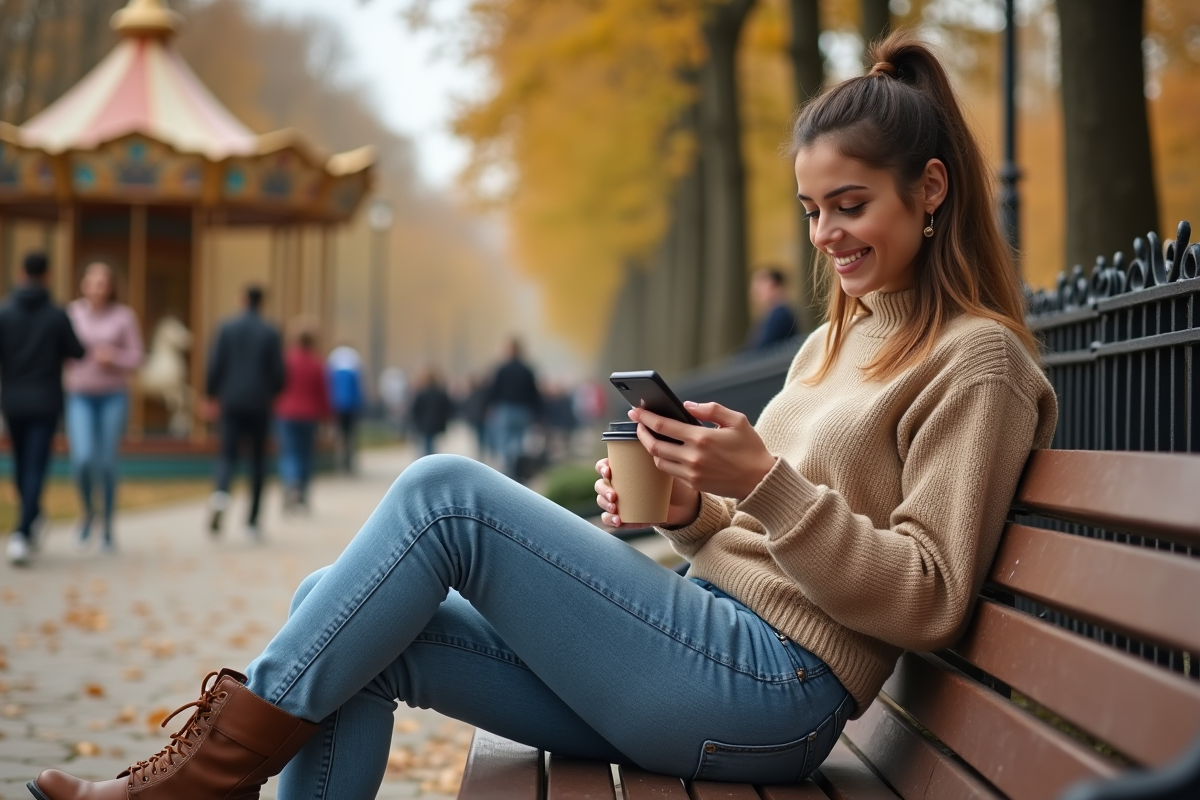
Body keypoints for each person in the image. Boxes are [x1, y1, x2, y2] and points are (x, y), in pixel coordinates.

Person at [29, 32, 1059, 799]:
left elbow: (929, 597)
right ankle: (206, 775)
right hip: (712, 647)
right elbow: (764, 536)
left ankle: (198, 778)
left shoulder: (980, 362)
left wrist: (762, 482)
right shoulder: (833, 339)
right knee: (340, 609)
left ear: (929, 190)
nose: (826, 234)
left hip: (771, 691)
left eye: (851, 204)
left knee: (445, 493)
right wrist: (692, 506)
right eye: (811, 209)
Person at [0, 252, 85, 567]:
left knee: (21, 463)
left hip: (12, 400)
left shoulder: (5, 312)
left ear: (21, 272)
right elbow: (77, 350)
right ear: (47, 276)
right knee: (36, 463)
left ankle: (28, 521)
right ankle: (24, 529)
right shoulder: (56, 314)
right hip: (47, 400)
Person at [63, 262, 144, 553]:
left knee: (107, 462)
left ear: (110, 286)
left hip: (113, 396)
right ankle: (88, 513)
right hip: (79, 396)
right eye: (92, 281)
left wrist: (115, 357)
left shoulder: (124, 316)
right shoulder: (71, 313)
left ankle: (108, 527)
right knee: (82, 459)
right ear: (83, 284)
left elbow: (137, 357)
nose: (97, 287)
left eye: (103, 282)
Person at [204, 285, 284, 541]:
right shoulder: (271, 332)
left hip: (231, 401)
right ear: (262, 302)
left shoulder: (226, 328)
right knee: (258, 461)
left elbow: (215, 364)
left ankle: (221, 494)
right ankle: (252, 521)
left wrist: (211, 395)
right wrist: (271, 391)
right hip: (260, 403)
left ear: (242, 299)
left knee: (228, 454)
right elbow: (279, 375)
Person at [275, 318, 330, 513]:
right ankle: (303, 493)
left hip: (286, 413)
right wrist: (326, 416)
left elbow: (277, 386)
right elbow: (323, 392)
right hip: (309, 415)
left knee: (289, 452)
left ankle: (291, 484)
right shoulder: (317, 363)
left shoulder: (285, 359)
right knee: (305, 455)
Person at [485, 337, 542, 480]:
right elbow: (534, 392)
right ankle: (517, 470)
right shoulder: (527, 370)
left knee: (505, 440)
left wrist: (488, 406)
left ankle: (508, 469)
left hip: (505, 409)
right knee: (519, 440)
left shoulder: (502, 369)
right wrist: (538, 412)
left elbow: (494, 390)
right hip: (523, 411)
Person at [326, 344, 365, 473]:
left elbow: (329, 387)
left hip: (337, 405)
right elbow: (358, 389)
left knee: (340, 436)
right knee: (351, 436)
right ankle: (349, 462)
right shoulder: (353, 365)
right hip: (351, 406)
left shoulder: (334, 364)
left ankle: (341, 463)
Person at [744, 267, 799, 351]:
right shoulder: (772, 315)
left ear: (773, 285)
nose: (754, 290)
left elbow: (761, 349)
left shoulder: (780, 314)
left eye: (760, 284)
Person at [408, 368, 454, 457]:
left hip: (424, 424)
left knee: (427, 444)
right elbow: (448, 409)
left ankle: (428, 462)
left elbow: (415, 410)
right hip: (436, 423)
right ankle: (431, 460)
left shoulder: (421, 393)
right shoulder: (441, 393)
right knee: (431, 444)